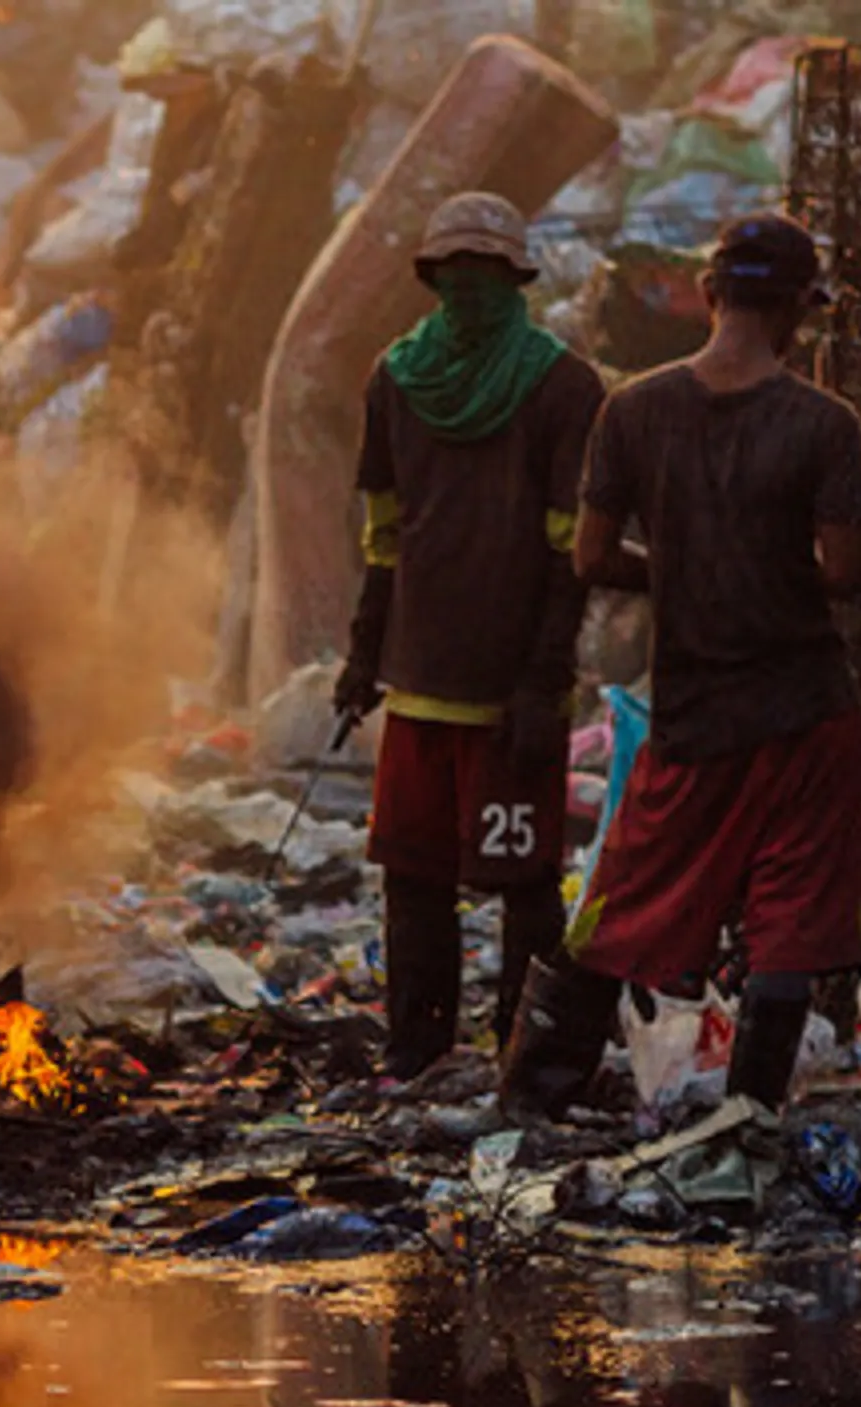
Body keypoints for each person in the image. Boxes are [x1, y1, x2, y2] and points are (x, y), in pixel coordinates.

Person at [500, 215, 861, 1117]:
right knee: (788, 919)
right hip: (802, 712)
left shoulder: (632, 410)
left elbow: (591, 559)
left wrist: (676, 568)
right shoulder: (825, 424)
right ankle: (748, 1120)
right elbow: (849, 574)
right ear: (797, 312)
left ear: (710, 296)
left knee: (623, 901)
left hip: (691, 714)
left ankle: (528, 1099)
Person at [339, 194, 605, 1082]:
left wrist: (544, 679)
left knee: (524, 880)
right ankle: (417, 1049)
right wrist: (362, 657)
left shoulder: (565, 387)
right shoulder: (396, 378)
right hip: (417, 681)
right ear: (432, 280)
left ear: (515, 279)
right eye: (455, 276)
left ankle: (520, 1053)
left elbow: (573, 548)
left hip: (510, 694)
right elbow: (384, 534)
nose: (469, 292)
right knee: (411, 876)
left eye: (484, 276)